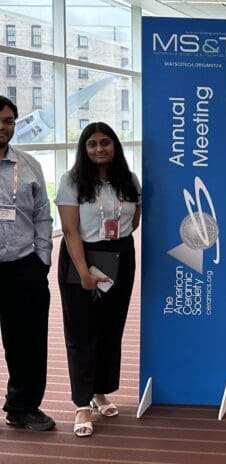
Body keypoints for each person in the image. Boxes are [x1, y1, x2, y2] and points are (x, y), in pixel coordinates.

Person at [55, 122, 141, 437]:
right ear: (84, 148)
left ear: (114, 146)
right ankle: (81, 404)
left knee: (110, 328)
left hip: (120, 256)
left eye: (105, 142)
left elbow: (134, 219)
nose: (99, 148)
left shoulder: (129, 180)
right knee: (81, 331)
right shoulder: (71, 181)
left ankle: (100, 391)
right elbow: (70, 231)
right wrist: (83, 272)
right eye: (92, 144)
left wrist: (117, 244)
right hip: (83, 256)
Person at [0, 96, 55, 431]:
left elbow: (43, 215)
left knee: (28, 343)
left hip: (23, 266)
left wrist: (42, 258)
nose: (2, 127)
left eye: (7, 121)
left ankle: (23, 407)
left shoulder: (29, 165)